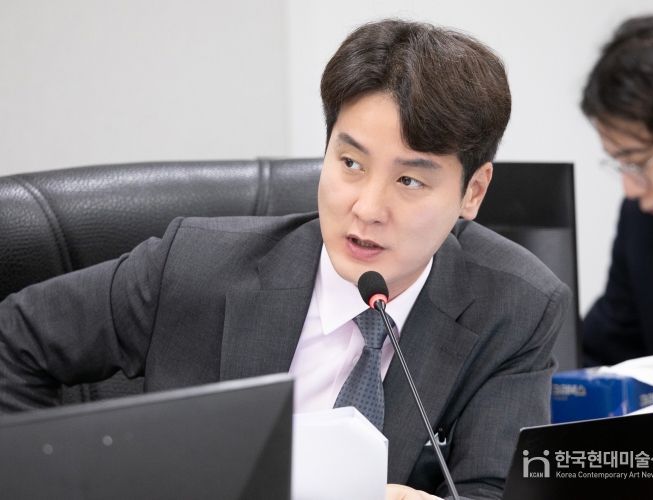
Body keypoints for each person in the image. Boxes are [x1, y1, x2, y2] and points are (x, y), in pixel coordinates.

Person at [0, 20, 570, 499]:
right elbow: (13, 341)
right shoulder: (193, 265)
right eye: (350, 164)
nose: (367, 208)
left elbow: (493, 489)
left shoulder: (515, 306)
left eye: (410, 181)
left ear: (473, 192)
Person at [580, 15, 653, 367]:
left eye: (637, 162)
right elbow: (600, 354)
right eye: (621, 165)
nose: (630, 190)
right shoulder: (642, 224)